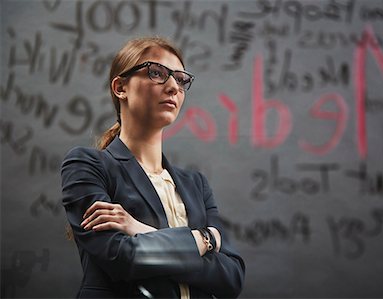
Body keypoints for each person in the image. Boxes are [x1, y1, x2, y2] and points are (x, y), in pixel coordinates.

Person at [61, 36, 245, 298]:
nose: (173, 87)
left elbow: (232, 277)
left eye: (181, 79)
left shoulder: (196, 184)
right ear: (120, 87)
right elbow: (123, 258)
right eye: (156, 73)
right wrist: (206, 239)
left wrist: (140, 230)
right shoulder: (87, 165)